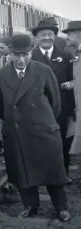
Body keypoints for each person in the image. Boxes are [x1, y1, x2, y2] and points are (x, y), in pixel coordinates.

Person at [0, 34, 71, 222]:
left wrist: (44, 122)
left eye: (25, 54)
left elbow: (55, 103)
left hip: (43, 129)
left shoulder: (43, 71)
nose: (21, 60)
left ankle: (61, 207)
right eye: (16, 55)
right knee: (22, 172)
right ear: (9, 54)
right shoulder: (1, 76)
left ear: (31, 52)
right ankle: (30, 206)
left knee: (54, 171)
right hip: (17, 133)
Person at [31, 18, 74, 179]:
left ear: (55, 36)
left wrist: (71, 84)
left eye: (50, 34)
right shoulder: (30, 57)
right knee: (38, 140)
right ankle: (40, 175)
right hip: (37, 106)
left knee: (62, 141)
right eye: (43, 35)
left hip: (61, 106)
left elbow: (74, 78)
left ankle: (62, 174)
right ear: (37, 38)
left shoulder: (65, 56)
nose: (47, 38)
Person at [62, 21, 81, 155]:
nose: (67, 37)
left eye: (69, 34)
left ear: (77, 34)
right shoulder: (77, 52)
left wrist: (72, 84)